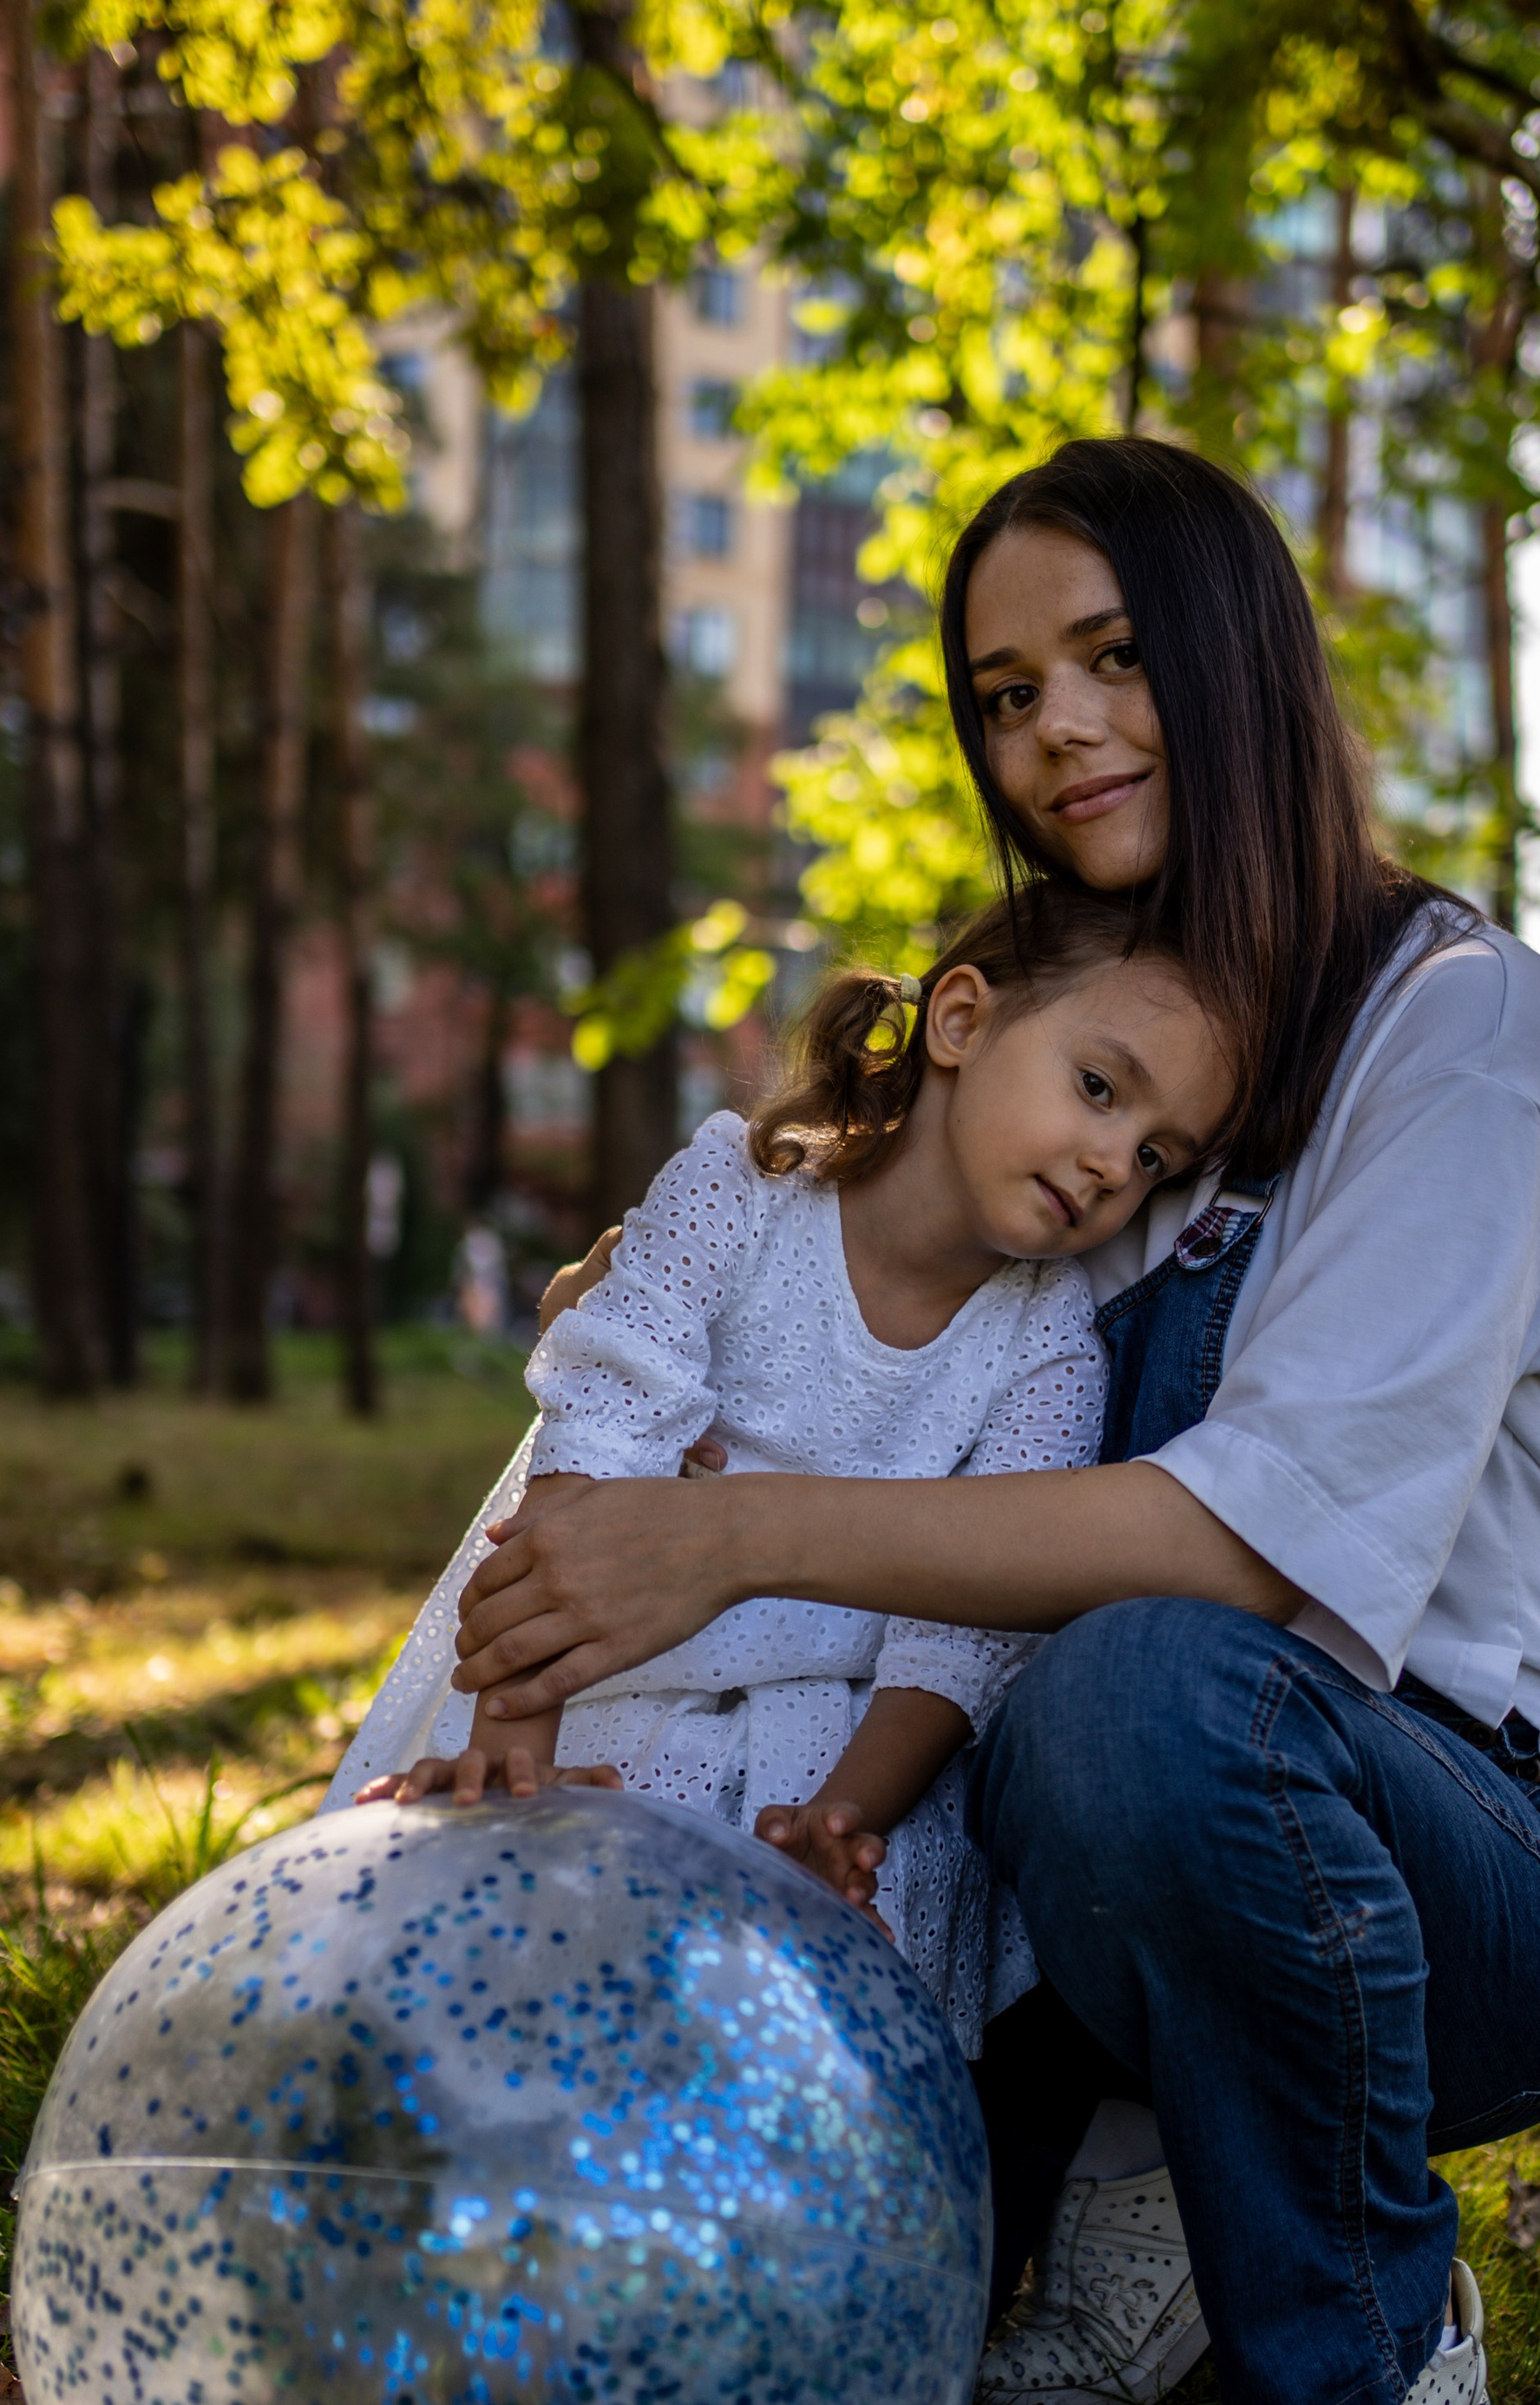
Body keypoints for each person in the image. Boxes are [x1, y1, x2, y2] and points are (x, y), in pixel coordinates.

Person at [442, 436, 1540, 2405]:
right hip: (1146, 1818)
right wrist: (707, 1275)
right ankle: (1144, 2172)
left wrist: (735, 1539)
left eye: (1110, 658)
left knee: (1133, 1678)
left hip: (1482, 1852)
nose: (1056, 732)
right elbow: (930, 1318)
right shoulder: (1128, 1043)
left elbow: (1256, 1547)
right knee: (972, 1741)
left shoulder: (1459, 1032)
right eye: (1005, 694)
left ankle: (1365, 2376)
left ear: (1237, 657)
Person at [343, 875, 1233, 2058]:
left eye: (1157, 1155)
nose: (1116, 1162)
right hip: (592, 1685)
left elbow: (968, 1634)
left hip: (845, 1751)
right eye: (1099, 1088)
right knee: (520, 2007)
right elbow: (597, 1437)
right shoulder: (741, 1192)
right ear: (961, 1020)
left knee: (772, 2042)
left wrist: (839, 1818)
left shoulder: (1053, 1340)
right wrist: (515, 1745)